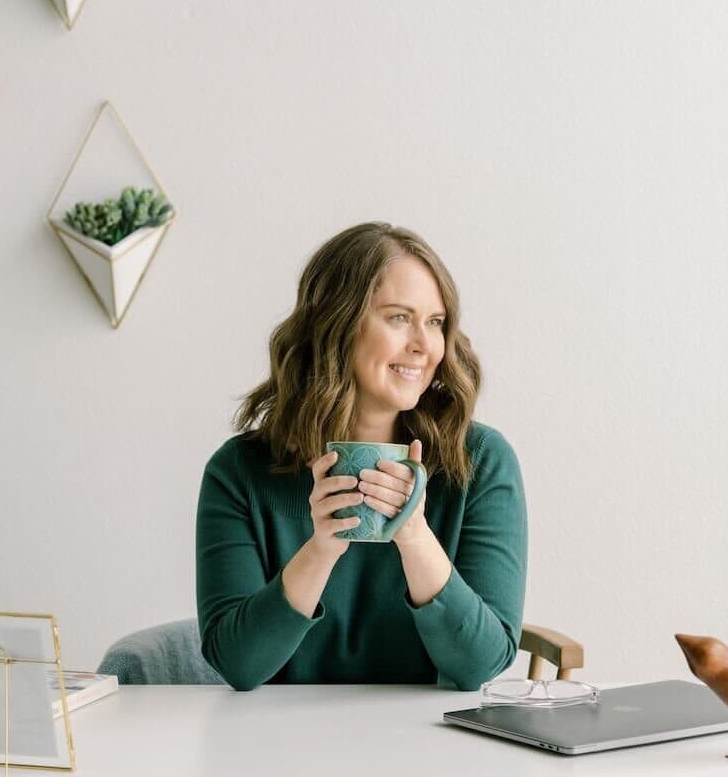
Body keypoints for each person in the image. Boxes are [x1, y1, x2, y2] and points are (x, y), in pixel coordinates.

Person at [196, 221, 526, 691]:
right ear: (337, 325)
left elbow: (482, 664)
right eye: (398, 317)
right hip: (280, 751)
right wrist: (322, 546)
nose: (424, 344)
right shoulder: (239, 472)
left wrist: (412, 535)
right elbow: (237, 666)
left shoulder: (481, 462)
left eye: (435, 322)